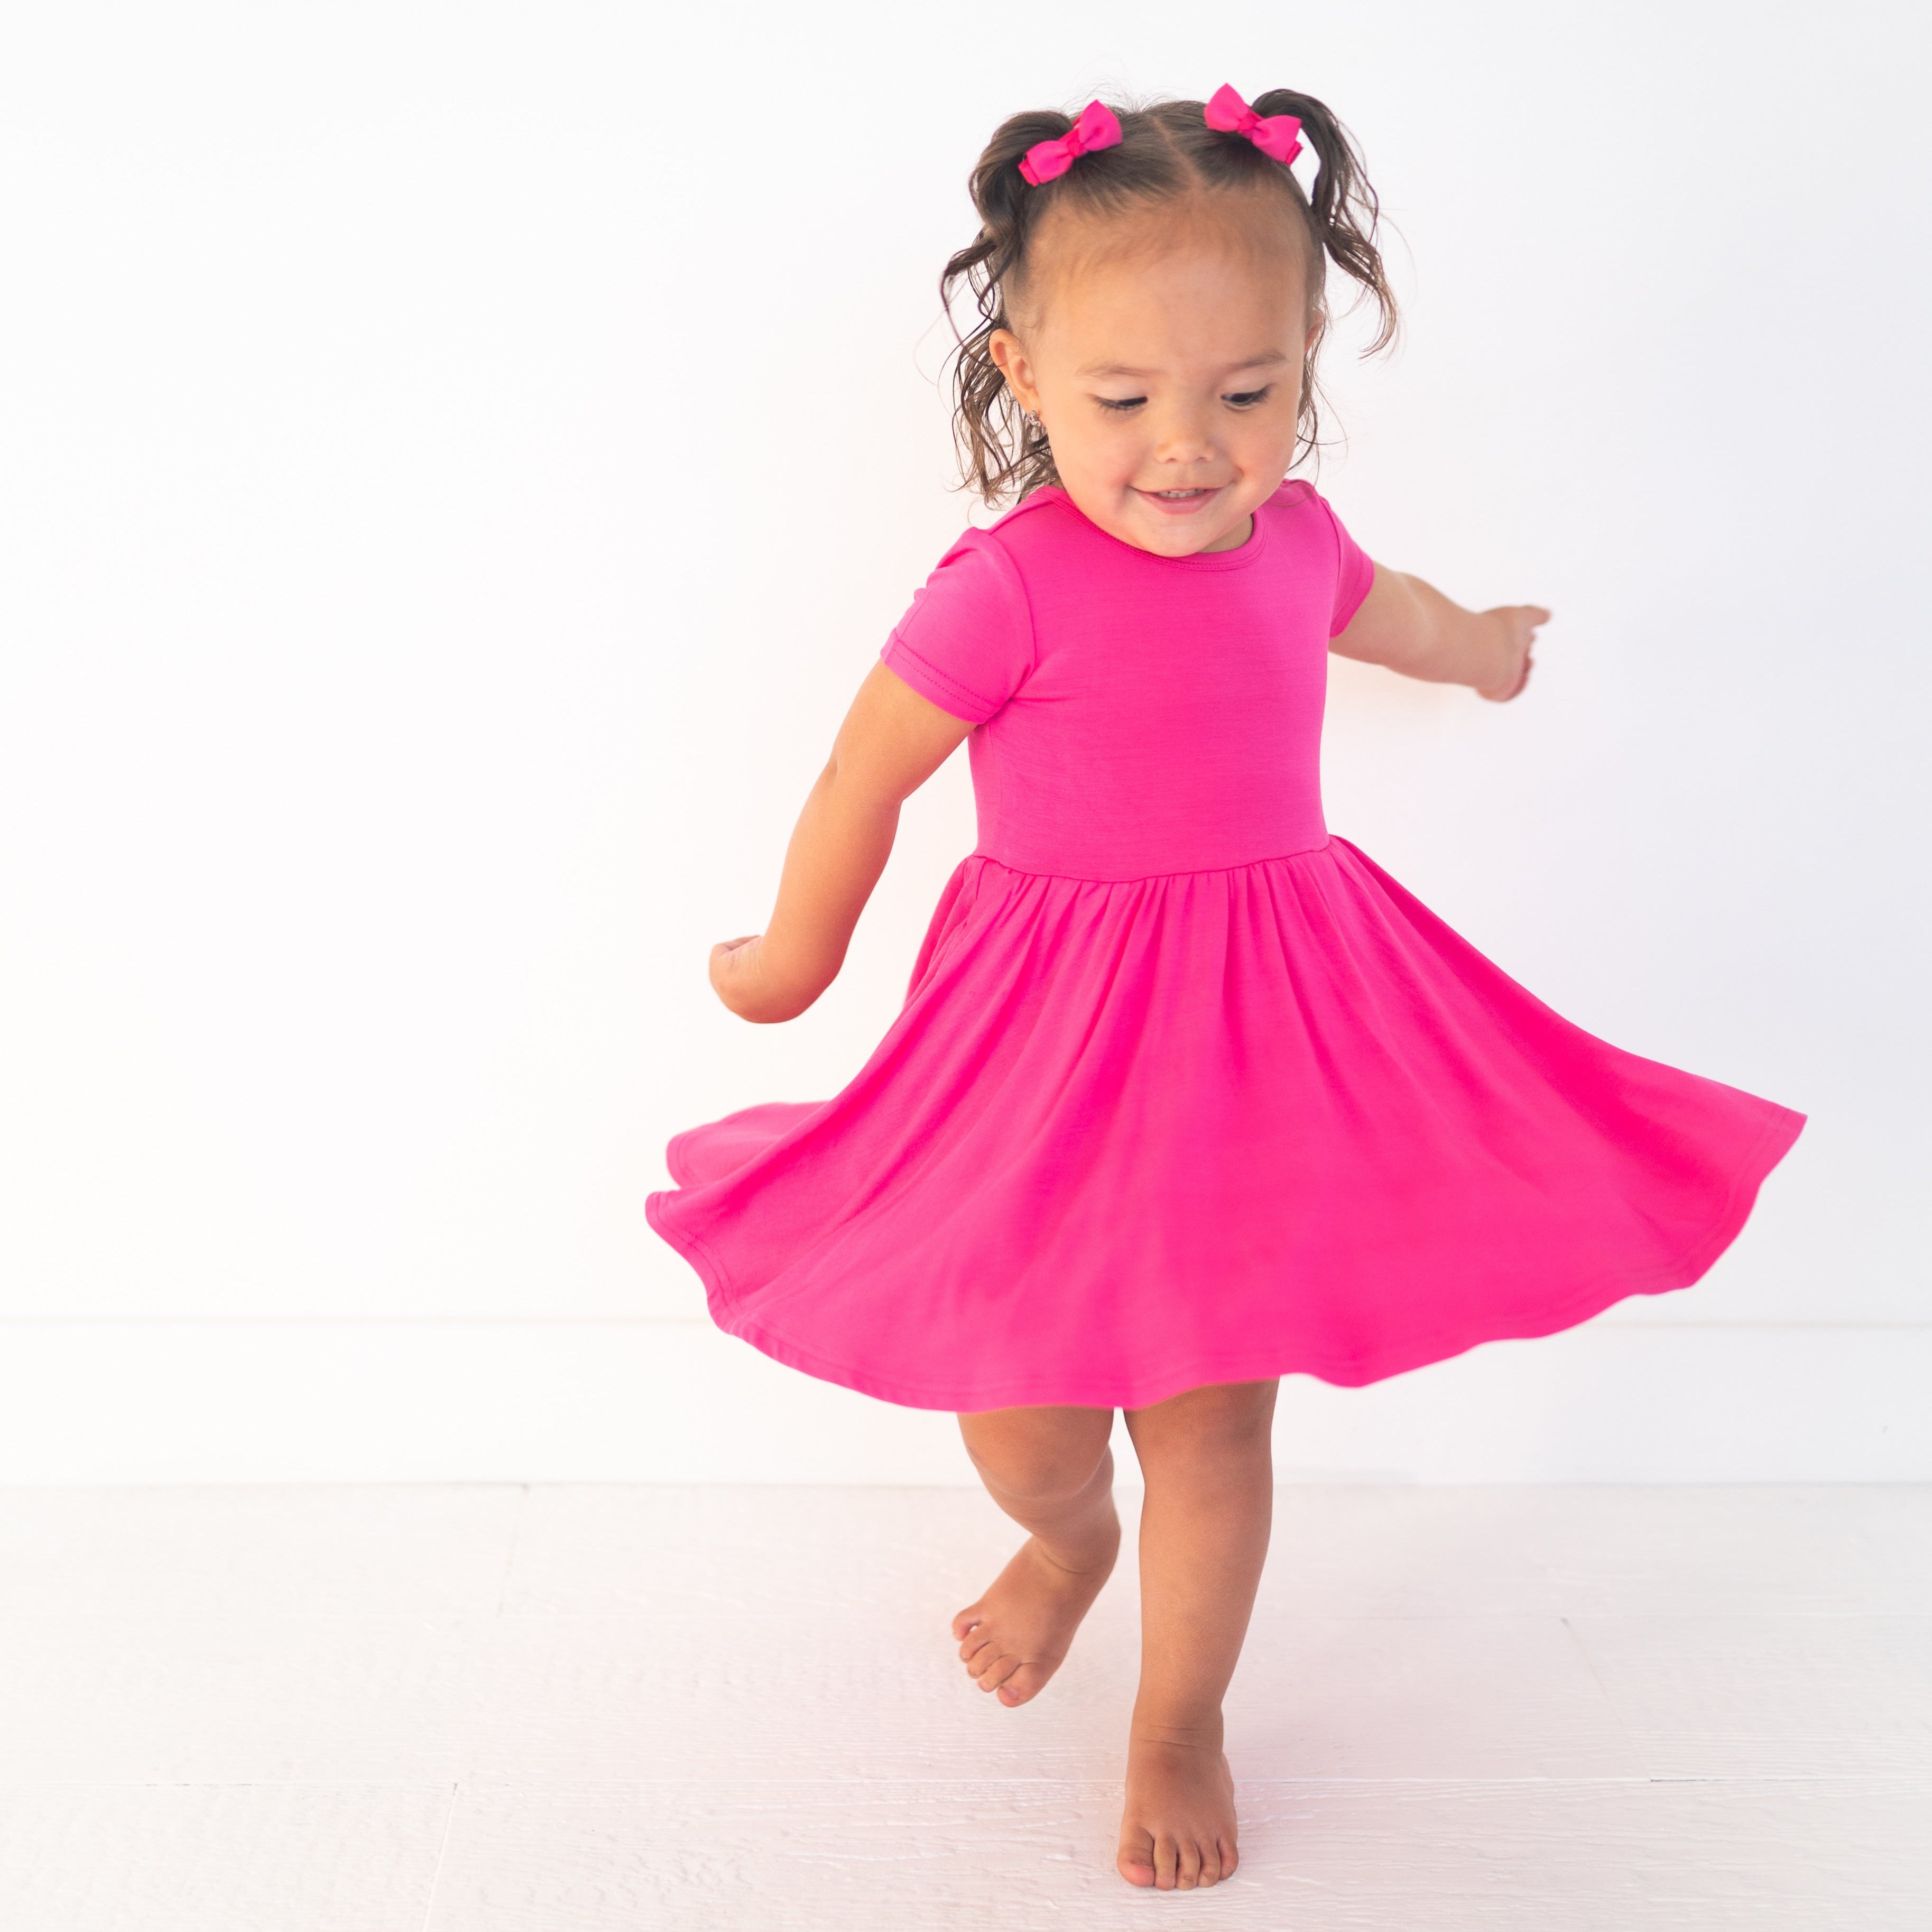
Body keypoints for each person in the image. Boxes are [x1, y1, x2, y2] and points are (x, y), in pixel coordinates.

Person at [645, 87, 1805, 1892]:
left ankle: (1179, 1716)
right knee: (1021, 1404)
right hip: (1038, 1051)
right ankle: (1062, 1542)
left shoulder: (1298, 546)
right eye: (1125, 400)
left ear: (1302, 364)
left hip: (1266, 1038)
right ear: (1024, 374)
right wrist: (791, 963)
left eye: (1247, 393)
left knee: (1214, 1407)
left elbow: (1396, 608)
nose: (1190, 446)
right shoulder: (1003, 590)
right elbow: (860, 779)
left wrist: (1488, 650)